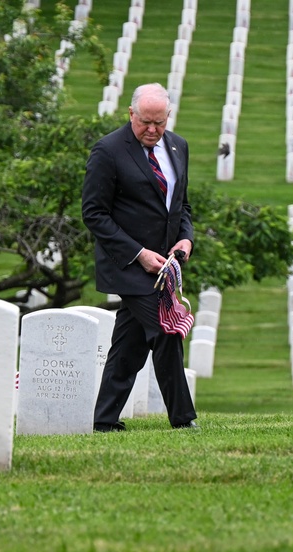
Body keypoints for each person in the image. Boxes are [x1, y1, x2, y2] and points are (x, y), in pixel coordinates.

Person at [82, 83, 198, 430]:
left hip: (165, 267)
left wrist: (185, 241)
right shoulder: (108, 151)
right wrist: (139, 253)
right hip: (128, 264)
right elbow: (94, 213)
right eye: (145, 122)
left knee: (129, 343)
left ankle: (104, 420)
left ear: (168, 117)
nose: (152, 130)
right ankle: (183, 419)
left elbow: (181, 205)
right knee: (166, 329)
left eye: (159, 123)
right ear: (131, 114)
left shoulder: (178, 147)